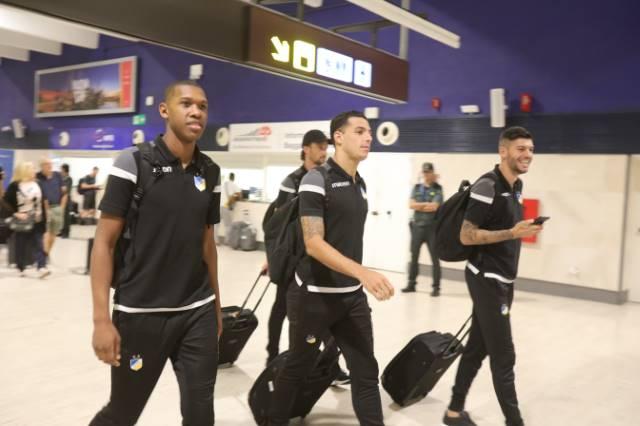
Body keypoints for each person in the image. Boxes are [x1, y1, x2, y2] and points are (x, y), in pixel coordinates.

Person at [89, 80, 223, 425]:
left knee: (201, 415)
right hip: (139, 313)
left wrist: (216, 307)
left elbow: (207, 244)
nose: (196, 112)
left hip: (197, 311)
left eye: (202, 106)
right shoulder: (133, 162)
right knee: (123, 413)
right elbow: (103, 242)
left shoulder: (210, 171)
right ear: (165, 110)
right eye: (186, 104)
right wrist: (101, 320)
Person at [267, 111, 395, 426]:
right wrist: (363, 272)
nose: (368, 137)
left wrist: (357, 278)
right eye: (360, 131)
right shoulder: (316, 179)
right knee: (297, 367)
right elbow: (313, 243)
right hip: (314, 296)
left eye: (370, 132)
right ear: (338, 137)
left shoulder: (359, 183)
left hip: (351, 298)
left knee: (365, 372)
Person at [442, 126, 542, 426]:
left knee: (477, 347)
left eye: (530, 149)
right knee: (504, 355)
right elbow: (467, 235)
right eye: (521, 149)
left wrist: (520, 229)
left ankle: (453, 411)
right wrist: (512, 232)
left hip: (504, 279)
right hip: (486, 278)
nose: (527, 155)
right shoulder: (486, 186)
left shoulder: (517, 185)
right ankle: (514, 421)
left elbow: (504, 225)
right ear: (503, 151)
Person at [403, 162, 444, 296]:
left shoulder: (438, 188)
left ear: (432, 173)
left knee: (435, 259)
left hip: (432, 229)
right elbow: (411, 205)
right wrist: (426, 205)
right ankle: (411, 284)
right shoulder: (416, 188)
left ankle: (436, 288)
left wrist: (419, 205)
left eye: (428, 172)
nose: (426, 175)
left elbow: (434, 207)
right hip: (417, 228)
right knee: (414, 257)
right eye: (424, 172)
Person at [2, 161, 48, 277]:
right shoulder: (15, 185)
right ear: (25, 171)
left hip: (37, 219)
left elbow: (43, 201)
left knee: (39, 243)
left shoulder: (38, 184)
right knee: (21, 244)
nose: (34, 171)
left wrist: (45, 217)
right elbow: (5, 202)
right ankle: (21, 267)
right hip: (23, 221)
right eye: (32, 168)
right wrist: (15, 213)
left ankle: (42, 267)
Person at [37, 158, 67, 266]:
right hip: (44, 208)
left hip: (57, 208)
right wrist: (45, 211)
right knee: (45, 234)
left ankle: (46, 255)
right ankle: (43, 259)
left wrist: (62, 208)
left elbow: (65, 193)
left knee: (53, 234)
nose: (49, 166)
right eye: (46, 164)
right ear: (41, 166)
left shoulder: (57, 175)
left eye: (50, 164)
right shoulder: (38, 177)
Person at [219, 172, 241, 244]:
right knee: (228, 225)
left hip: (218, 206)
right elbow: (238, 195)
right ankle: (227, 241)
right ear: (234, 178)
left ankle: (215, 241)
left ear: (229, 177)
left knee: (216, 225)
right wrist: (230, 204)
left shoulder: (223, 184)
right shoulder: (233, 185)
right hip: (226, 206)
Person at [59, 163, 72, 238]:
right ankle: (62, 231)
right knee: (62, 216)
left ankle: (66, 233)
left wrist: (61, 189)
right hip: (60, 199)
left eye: (61, 169)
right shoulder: (61, 178)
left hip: (67, 200)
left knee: (66, 217)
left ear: (64, 170)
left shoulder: (69, 179)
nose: (60, 171)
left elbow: (66, 190)